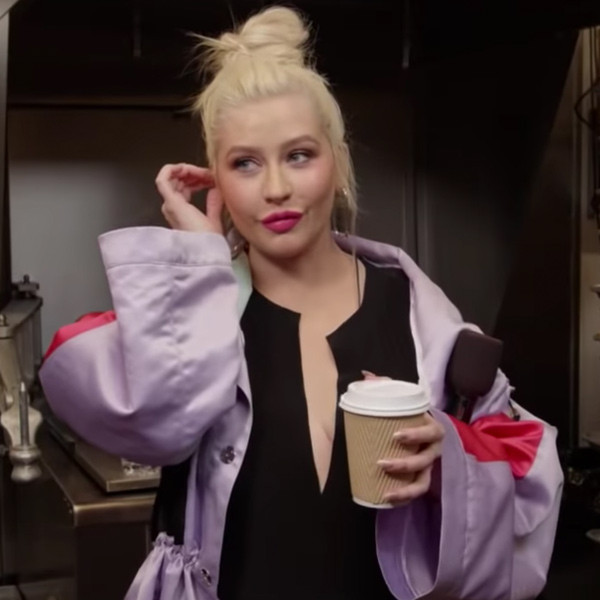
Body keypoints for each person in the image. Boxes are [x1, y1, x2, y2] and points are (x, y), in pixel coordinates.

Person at [39, 6, 563, 600]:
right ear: (215, 182)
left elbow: (529, 474)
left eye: (299, 155)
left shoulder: (422, 318)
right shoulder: (194, 317)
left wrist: (449, 464)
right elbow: (151, 427)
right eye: (245, 164)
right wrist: (196, 268)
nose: (276, 189)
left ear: (337, 163)